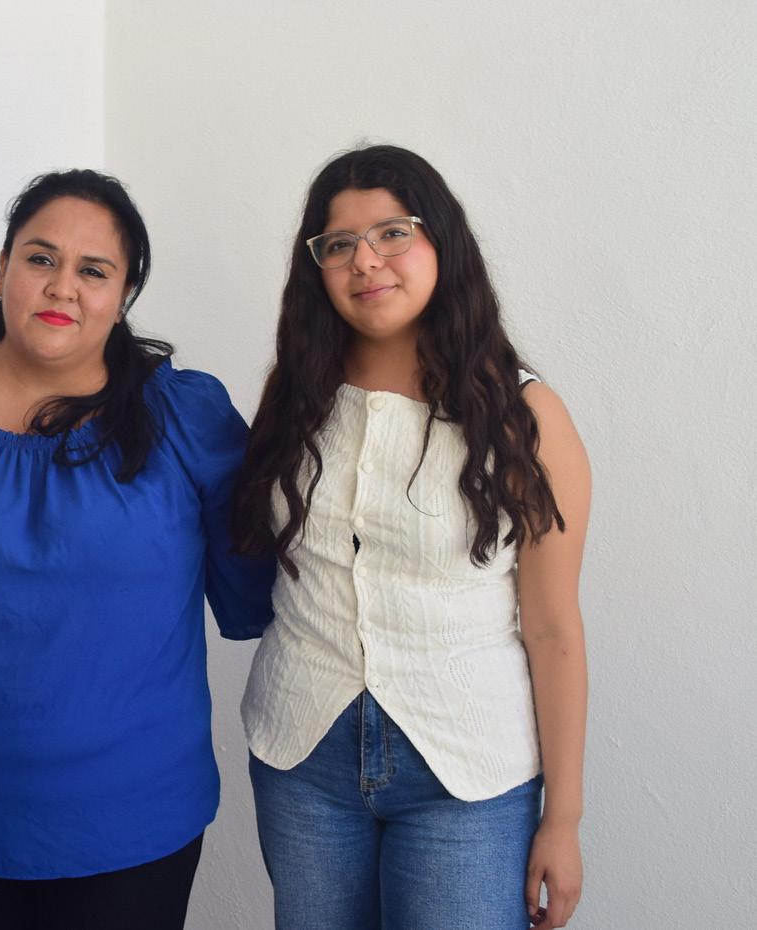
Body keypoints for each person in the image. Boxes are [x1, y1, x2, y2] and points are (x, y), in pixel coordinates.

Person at [0, 169, 276, 930]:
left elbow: (255, 591)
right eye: (40, 258)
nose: (61, 287)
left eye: (93, 270)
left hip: (134, 813)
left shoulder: (186, 415)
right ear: (3, 266)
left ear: (125, 292)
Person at [233, 145, 589, 930]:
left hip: (465, 770)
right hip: (301, 755)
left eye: (391, 233)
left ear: (441, 243)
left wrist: (562, 819)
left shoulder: (524, 417)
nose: (365, 261)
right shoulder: (293, 394)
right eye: (338, 244)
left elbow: (553, 628)